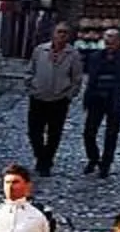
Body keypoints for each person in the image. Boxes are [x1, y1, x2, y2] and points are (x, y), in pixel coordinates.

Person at [26, 27, 84, 178]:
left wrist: (69, 95)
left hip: (59, 99)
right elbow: (30, 70)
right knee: (34, 132)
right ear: (53, 34)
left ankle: (46, 162)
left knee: (54, 133)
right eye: (59, 32)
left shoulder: (73, 54)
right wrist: (31, 87)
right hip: (38, 97)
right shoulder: (40, 50)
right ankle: (41, 157)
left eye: (65, 32)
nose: (62, 35)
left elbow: (77, 78)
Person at [79, 30, 120, 178]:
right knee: (89, 132)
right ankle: (93, 158)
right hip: (96, 99)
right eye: (107, 41)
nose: (109, 44)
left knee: (111, 133)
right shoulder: (95, 57)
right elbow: (91, 78)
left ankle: (106, 164)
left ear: (118, 42)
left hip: (115, 100)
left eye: (112, 41)